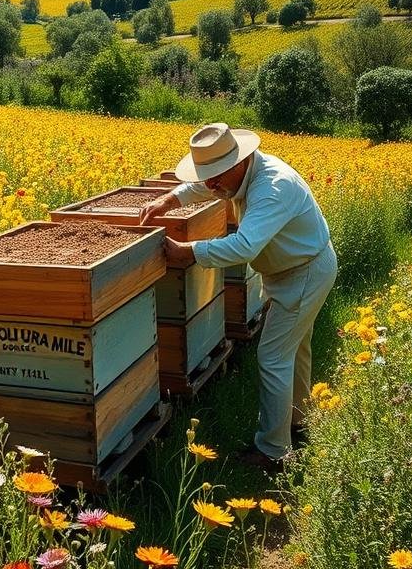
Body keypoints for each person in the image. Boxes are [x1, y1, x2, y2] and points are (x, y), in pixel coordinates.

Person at [140, 123, 336, 470]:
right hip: (297, 268)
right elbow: (206, 187)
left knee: (273, 357)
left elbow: (245, 246)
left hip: (303, 274)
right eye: (207, 175)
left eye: (216, 175)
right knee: (295, 348)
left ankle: (274, 451)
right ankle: (299, 420)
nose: (211, 184)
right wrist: (168, 199)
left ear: (239, 160)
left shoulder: (272, 188)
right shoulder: (240, 174)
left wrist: (187, 252)